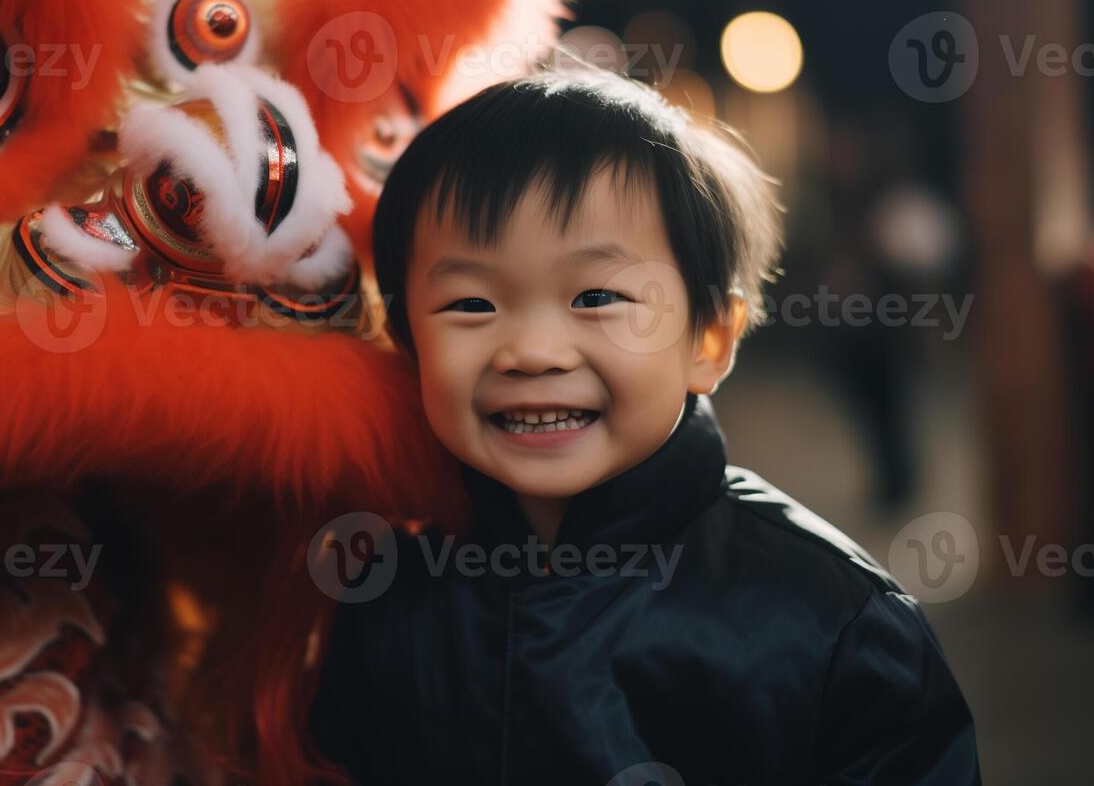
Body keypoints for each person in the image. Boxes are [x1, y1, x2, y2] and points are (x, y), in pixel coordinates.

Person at [309, 71, 980, 784]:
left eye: (596, 296)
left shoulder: (835, 618)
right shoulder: (385, 596)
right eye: (470, 303)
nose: (533, 352)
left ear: (710, 341)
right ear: (407, 338)